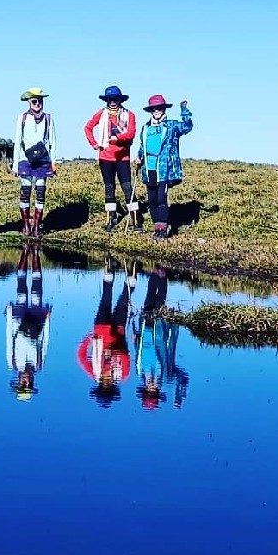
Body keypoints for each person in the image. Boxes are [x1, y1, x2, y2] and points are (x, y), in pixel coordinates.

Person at [135, 95, 193, 240]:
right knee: (152, 200)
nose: (157, 111)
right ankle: (157, 227)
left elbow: (187, 126)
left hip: (165, 169)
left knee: (161, 199)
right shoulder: (146, 128)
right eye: (154, 108)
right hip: (149, 169)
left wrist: (184, 110)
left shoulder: (172, 126)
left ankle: (163, 229)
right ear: (150, 111)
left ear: (164, 109)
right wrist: (139, 157)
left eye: (159, 108)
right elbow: (143, 146)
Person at [77, 258, 132, 407]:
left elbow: (81, 355)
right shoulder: (123, 375)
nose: (106, 384)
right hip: (119, 332)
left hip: (101, 329)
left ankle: (111, 268)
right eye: (108, 388)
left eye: (103, 387)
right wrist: (115, 352)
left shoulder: (93, 371)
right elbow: (126, 356)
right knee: (124, 301)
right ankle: (133, 271)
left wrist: (91, 338)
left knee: (106, 299)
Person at [132, 267, 189, 410]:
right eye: (153, 391)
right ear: (158, 390)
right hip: (160, 331)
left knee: (149, 298)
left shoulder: (139, 372)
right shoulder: (166, 375)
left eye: (148, 390)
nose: (151, 387)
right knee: (159, 300)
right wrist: (178, 398)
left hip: (145, 328)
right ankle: (163, 276)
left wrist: (136, 339)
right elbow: (183, 378)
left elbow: (138, 353)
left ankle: (154, 272)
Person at [84, 85, 137, 231]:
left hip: (123, 157)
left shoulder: (129, 115)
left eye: (115, 98)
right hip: (105, 156)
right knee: (109, 188)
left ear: (120, 99)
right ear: (106, 100)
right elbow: (87, 127)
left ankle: (135, 219)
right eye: (110, 99)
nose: (112, 101)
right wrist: (94, 143)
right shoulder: (101, 114)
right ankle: (111, 218)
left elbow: (131, 133)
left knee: (127, 187)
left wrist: (117, 138)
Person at [6, 245, 51, 401]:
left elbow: (9, 340)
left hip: (18, 321)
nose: (25, 381)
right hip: (37, 324)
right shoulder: (39, 364)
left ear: (18, 382)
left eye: (22, 384)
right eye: (28, 384)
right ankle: (36, 254)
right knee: (36, 293)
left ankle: (25, 254)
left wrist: (9, 317)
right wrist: (47, 322)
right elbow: (44, 343)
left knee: (21, 292)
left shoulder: (12, 362)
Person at [12, 88, 57, 238]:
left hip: (43, 160)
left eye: (40, 101)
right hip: (25, 159)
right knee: (25, 191)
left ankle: (36, 226)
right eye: (34, 101)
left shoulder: (49, 118)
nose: (38, 104)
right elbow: (17, 141)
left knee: (40, 191)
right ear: (29, 103)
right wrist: (15, 164)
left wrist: (53, 162)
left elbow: (52, 142)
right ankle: (26, 224)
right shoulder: (22, 118)